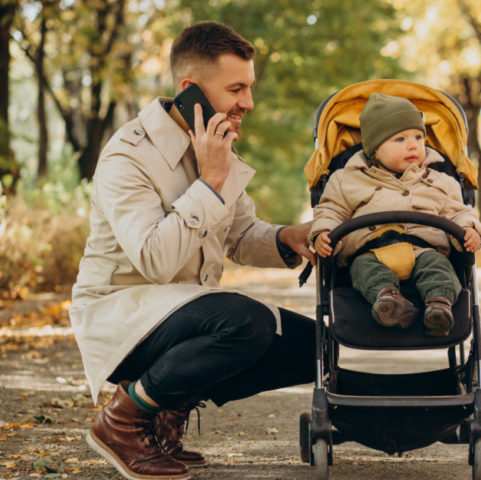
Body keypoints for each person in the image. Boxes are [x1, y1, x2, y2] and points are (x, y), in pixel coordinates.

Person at [69, 22, 317, 480]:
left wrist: (288, 237)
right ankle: (123, 420)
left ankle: (167, 412)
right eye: (237, 89)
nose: (249, 103)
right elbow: (155, 260)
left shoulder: (211, 147)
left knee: (319, 348)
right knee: (247, 322)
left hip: (186, 315)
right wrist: (210, 181)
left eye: (250, 87)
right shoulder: (128, 156)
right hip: (122, 319)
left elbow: (240, 235)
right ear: (191, 91)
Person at [310, 93, 481, 337]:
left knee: (439, 268)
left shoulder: (439, 182)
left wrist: (469, 230)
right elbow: (331, 210)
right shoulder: (348, 180)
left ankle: (439, 306)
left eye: (418, 137)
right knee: (363, 269)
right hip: (371, 252)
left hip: (424, 250)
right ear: (374, 149)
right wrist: (324, 233)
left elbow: (457, 211)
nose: (413, 145)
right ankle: (388, 301)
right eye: (400, 139)